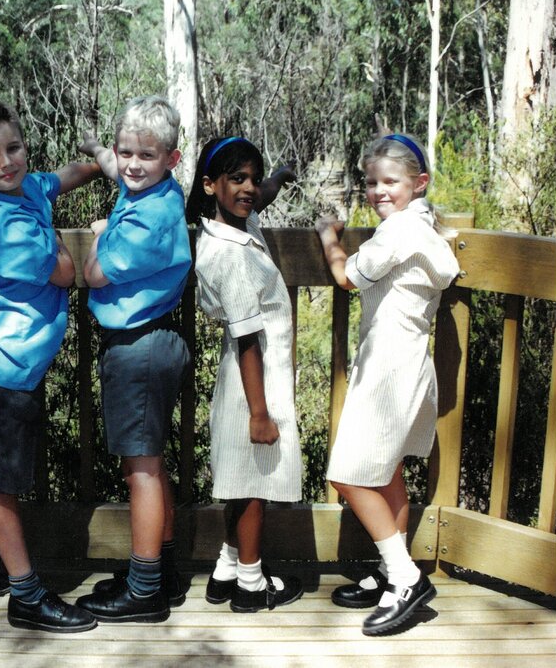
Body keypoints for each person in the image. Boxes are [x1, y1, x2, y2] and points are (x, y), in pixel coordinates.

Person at [0, 100, 101, 633]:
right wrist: (61, 244)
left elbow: (61, 178)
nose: (6, 162)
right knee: (0, 488)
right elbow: (67, 273)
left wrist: (100, 163)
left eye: (13, 148)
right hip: (5, 370)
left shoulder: (25, 188)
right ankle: (26, 595)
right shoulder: (7, 228)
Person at [316, 133, 459, 635]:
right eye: (372, 182)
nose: (378, 191)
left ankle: (405, 578)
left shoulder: (398, 230)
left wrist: (329, 237)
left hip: (388, 370)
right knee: (384, 471)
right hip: (407, 364)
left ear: (418, 184)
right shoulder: (423, 230)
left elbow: (349, 277)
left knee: (349, 474)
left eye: (390, 182)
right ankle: (388, 574)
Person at [73, 95, 192, 623]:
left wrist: (100, 234)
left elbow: (94, 274)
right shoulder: (155, 192)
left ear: (173, 158)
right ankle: (159, 572)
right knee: (148, 463)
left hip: (140, 347)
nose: (131, 165)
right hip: (149, 343)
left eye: (146, 155)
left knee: (140, 471)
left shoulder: (149, 221)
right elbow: (115, 169)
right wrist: (98, 151)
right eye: (125, 153)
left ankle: (144, 592)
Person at [185, 136, 304, 613]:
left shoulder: (227, 226)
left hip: (246, 378)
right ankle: (252, 587)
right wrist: (260, 413)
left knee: (239, 478)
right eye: (238, 179)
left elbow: (261, 195)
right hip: (253, 382)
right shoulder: (229, 255)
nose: (250, 188)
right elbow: (247, 338)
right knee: (254, 489)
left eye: (254, 178)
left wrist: (279, 177)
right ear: (211, 185)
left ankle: (226, 568)